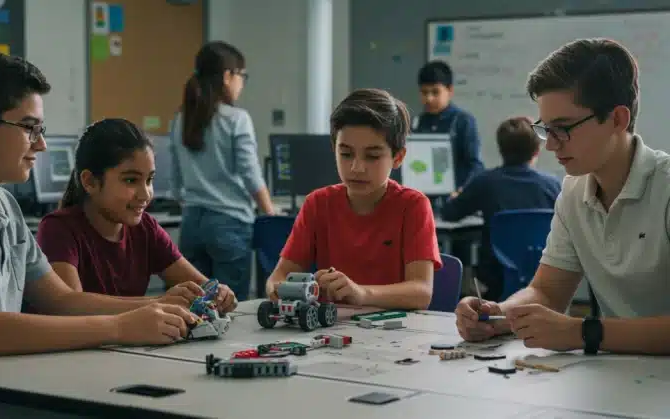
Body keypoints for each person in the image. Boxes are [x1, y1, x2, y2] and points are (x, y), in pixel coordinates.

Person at [0, 52, 198, 418]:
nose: (40, 145)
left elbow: (61, 300)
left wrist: (157, 308)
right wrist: (121, 326)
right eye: (30, 129)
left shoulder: (4, 207)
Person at [455, 38, 670, 355]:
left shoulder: (665, 188)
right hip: (623, 375)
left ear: (617, 120)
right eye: (545, 129)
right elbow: (546, 292)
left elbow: (579, 330)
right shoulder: (573, 189)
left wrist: (584, 332)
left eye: (564, 128)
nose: (551, 145)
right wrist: (499, 313)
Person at [35, 118, 237, 313]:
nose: (145, 194)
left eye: (149, 180)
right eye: (131, 180)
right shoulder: (58, 229)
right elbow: (71, 307)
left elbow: (201, 286)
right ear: (90, 182)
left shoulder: (146, 228)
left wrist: (217, 293)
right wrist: (159, 302)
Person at [265, 88, 442, 310]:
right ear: (334, 149)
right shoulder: (317, 204)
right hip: (331, 330)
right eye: (346, 154)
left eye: (373, 156)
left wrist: (361, 293)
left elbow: (421, 293)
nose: (357, 168)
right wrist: (279, 289)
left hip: (392, 332)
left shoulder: (413, 206)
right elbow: (278, 277)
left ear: (398, 157)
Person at [169, 41, 275, 302]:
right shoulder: (236, 119)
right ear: (228, 75)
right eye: (242, 76)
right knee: (229, 308)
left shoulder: (181, 119)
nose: (242, 83)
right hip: (229, 224)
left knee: (193, 307)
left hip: (192, 224)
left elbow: (174, 180)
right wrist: (270, 212)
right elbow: (250, 173)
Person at [441, 116, 561, 301]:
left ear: (501, 149)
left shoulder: (485, 182)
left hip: (495, 281)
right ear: (537, 150)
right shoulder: (553, 185)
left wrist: (455, 197)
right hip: (544, 276)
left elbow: (449, 213)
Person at [413, 60, 484, 190]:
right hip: (423, 197)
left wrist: (463, 190)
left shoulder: (463, 121)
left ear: (450, 91)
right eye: (424, 92)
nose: (429, 99)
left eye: (435, 92)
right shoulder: (417, 123)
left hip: (455, 198)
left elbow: (475, 166)